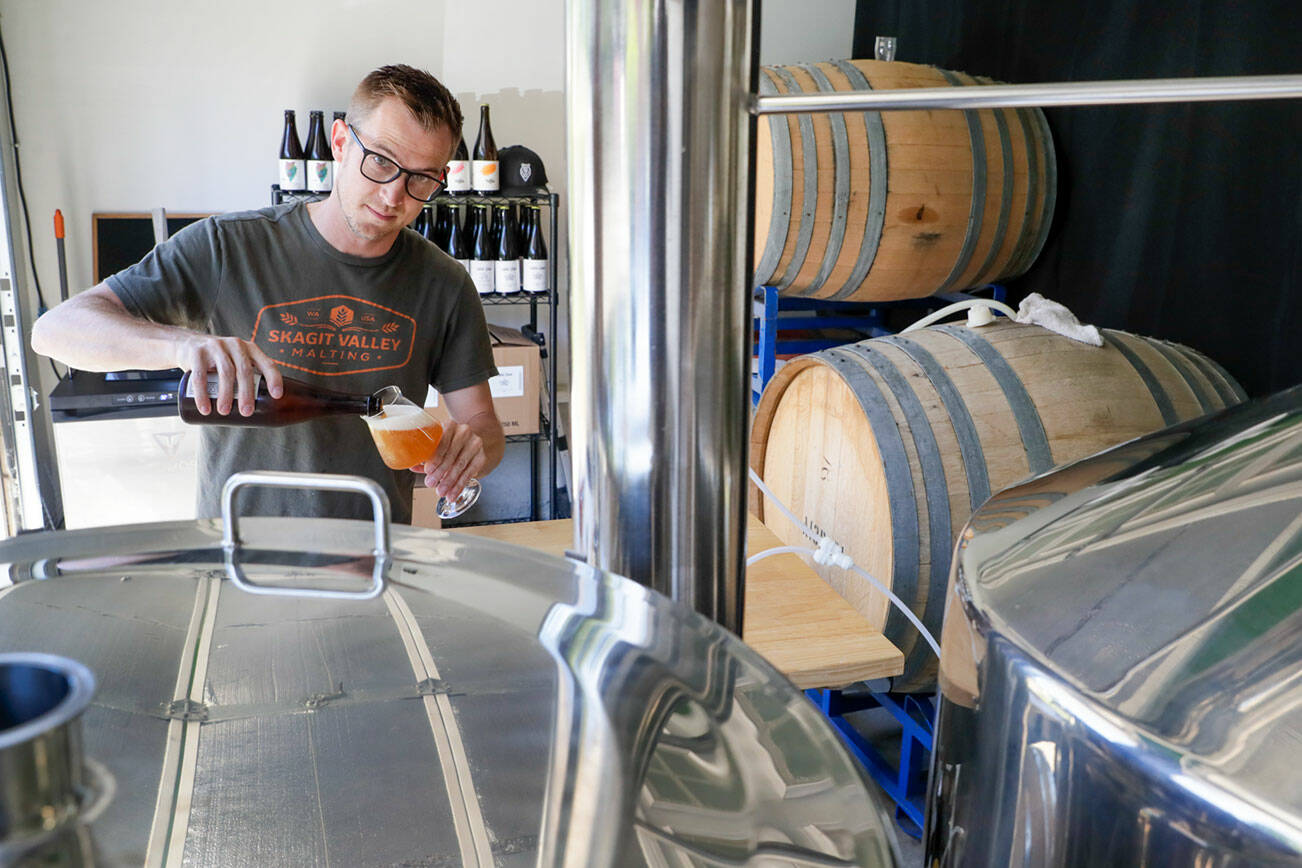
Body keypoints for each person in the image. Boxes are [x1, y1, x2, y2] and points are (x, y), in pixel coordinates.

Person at [31, 65, 504, 524]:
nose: (393, 196)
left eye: (421, 177)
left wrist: (473, 449)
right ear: (340, 143)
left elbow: (484, 423)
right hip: (239, 555)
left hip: (370, 556)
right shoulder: (229, 246)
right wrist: (183, 346)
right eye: (380, 160)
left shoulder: (443, 282)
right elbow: (54, 331)